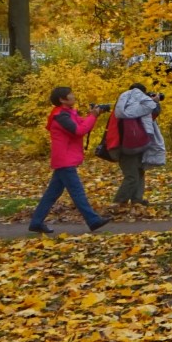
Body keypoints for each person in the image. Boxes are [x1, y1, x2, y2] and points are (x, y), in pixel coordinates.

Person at [30, 86, 110, 235]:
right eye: (70, 95)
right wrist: (93, 116)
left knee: (52, 194)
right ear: (62, 99)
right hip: (65, 160)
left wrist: (95, 114)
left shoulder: (68, 114)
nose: (73, 96)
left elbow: (82, 123)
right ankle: (93, 220)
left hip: (64, 159)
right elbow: (79, 130)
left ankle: (36, 222)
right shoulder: (61, 116)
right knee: (77, 192)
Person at [112, 82, 164, 205]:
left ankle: (136, 199)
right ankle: (119, 202)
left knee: (139, 172)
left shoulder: (122, 105)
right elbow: (154, 113)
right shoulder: (137, 107)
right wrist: (154, 102)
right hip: (130, 145)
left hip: (128, 144)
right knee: (133, 175)